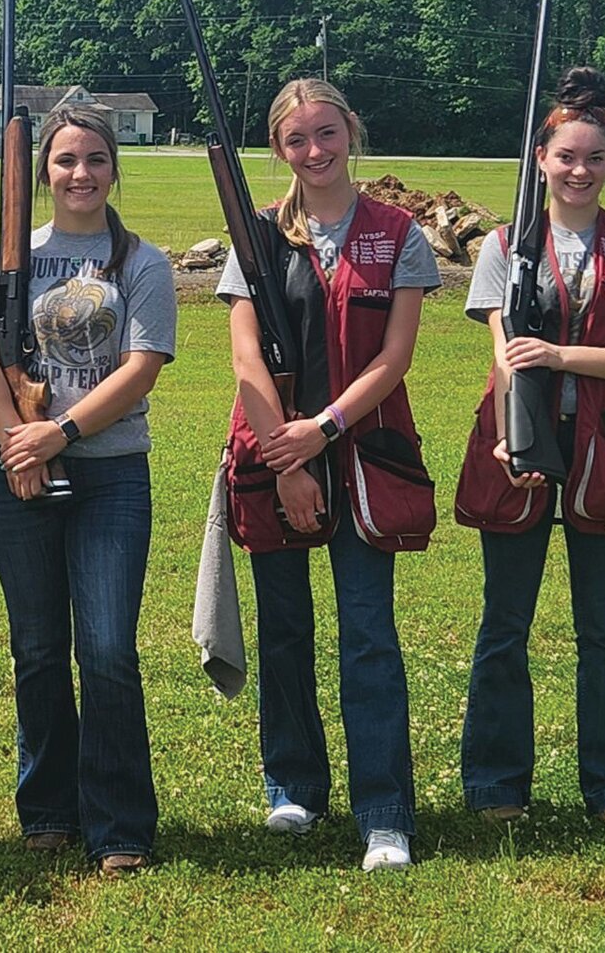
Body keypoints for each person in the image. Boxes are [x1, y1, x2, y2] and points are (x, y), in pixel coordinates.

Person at [216, 77, 439, 873]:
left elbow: (394, 357)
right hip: (273, 456)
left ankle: (384, 812)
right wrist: (286, 457)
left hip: (363, 454)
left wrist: (323, 429)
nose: (315, 151)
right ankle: (295, 789)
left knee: (369, 638)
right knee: (284, 634)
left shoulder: (399, 232)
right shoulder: (256, 237)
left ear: (351, 131)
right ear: (279, 148)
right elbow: (247, 357)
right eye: (297, 139)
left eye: (327, 133)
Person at [456, 67, 605, 830]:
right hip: (520, 443)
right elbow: (502, 354)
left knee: (603, 630)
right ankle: (495, 785)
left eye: (594, 158)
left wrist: (559, 356)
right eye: (566, 156)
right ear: (540, 158)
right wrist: (508, 436)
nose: (579, 170)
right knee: (504, 626)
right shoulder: (501, 247)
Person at [0, 104, 176, 875]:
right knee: (37, 648)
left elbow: (140, 368)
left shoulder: (143, 264)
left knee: (109, 649)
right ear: (43, 172)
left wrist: (61, 433)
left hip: (110, 473)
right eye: (64, 160)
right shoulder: (9, 258)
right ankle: (49, 808)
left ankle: (121, 823)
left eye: (94, 158)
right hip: (16, 472)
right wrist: (15, 443)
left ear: (114, 167)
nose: (80, 173)